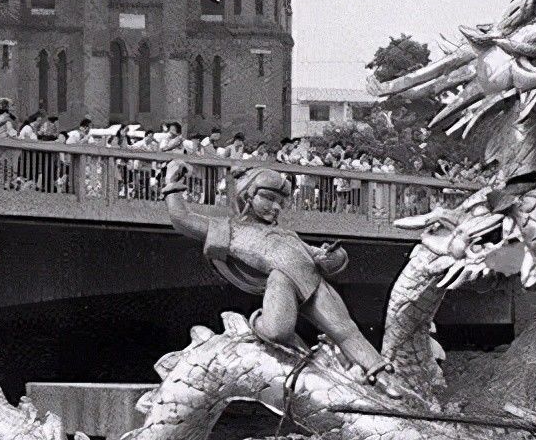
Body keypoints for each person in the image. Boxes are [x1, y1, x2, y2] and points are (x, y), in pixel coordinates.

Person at [162, 161, 402, 398]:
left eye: (280, 202)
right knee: (278, 330)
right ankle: (258, 324)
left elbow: (318, 256)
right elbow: (181, 219)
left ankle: (382, 376)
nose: (275, 207)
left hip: (313, 282)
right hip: (281, 283)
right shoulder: (227, 230)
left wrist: (333, 256)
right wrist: (173, 184)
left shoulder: (289, 235)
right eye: (268, 198)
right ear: (247, 196)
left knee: (346, 330)